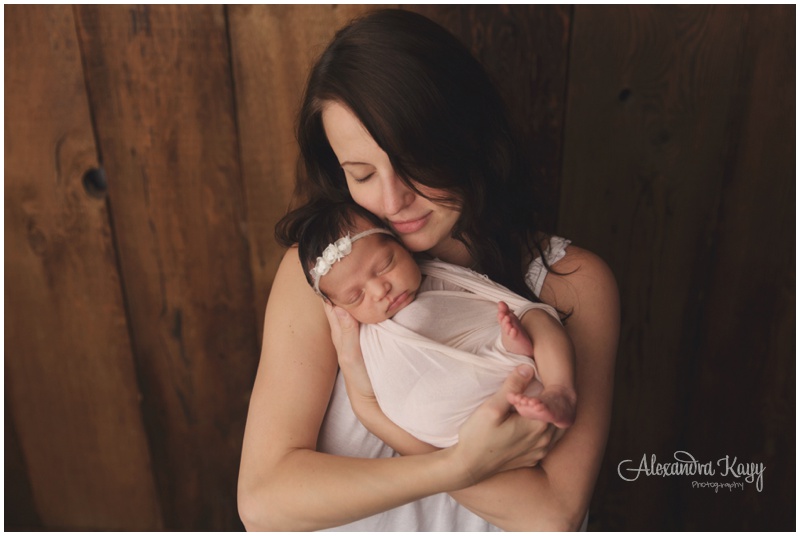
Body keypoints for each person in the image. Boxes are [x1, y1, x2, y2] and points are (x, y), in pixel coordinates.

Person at [238, 8, 619, 532]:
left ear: (467, 136)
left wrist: (383, 420)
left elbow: (551, 514)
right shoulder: (329, 278)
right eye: (363, 173)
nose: (393, 200)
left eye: (415, 161)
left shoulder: (570, 282)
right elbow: (264, 501)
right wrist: (454, 465)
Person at [296, 200, 577, 446]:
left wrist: (502, 333)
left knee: (537, 317)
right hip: (458, 421)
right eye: (356, 296)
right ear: (339, 308)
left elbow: (490, 307)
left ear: (401, 245)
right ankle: (507, 352)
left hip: (507, 369)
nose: (380, 290)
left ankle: (558, 389)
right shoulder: (365, 338)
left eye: (385, 266)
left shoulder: (441, 277)